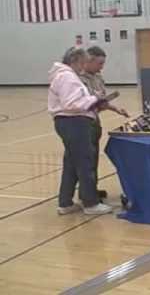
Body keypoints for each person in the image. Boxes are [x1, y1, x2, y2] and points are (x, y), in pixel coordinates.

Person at [48, 47, 113, 215]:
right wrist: (95, 98)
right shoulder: (67, 77)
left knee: (71, 163)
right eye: (83, 62)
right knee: (85, 163)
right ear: (76, 60)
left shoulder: (64, 75)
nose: (84, 66)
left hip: (70, 122)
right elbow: (72, 103)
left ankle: (65, 202)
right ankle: (90, 203)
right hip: (74, 122)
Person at [80, 46, 129, 200]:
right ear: (89, 61)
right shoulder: (78, 79)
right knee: (85, 161)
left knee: (93, 158)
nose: (102, 67)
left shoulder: (98, 77)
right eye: (99, 63)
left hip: (95, 121)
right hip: (82, 122)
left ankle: (91, 188)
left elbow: (101, 101)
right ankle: (87, 194)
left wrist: (116, 109)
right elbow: (84, 102)